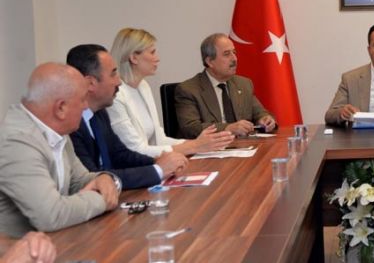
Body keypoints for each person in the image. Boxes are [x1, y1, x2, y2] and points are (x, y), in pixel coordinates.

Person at [0, 63, 118, 238]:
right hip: (21, 249)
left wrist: (104, 178)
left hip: (60, 241)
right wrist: (103, 199)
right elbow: (51, 215)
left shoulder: (56, 130)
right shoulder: (17, 142)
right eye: (82, 100)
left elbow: (80, 181)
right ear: (61, 108)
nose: (86, 106)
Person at [67, 44, 188, 189]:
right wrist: (158, 170)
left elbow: (120, 154)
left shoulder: (99, 113)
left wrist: (157, 162)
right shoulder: (70, 125)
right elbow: (94, 177)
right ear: (91, 83)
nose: (119, 81)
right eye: (113, 74)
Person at [107, 28, 233, 158]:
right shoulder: (115, 96)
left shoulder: (143, 86)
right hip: (133, 167)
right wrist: (195, 146)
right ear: (134, 58)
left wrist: (201, 143)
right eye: (152, 52)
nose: (157, 58)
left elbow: (159, 139)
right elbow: (135, 150)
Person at [175, 33, 276, 138]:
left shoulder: (244, 84)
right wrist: (228, 128)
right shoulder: (189, 90)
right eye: (227, 54)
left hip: (244, 145)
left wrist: (265, 119)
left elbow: (259, 113)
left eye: (234, 52)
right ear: (210, 61)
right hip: (211, 146)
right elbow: (191, 127)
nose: (234, 58)